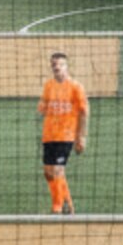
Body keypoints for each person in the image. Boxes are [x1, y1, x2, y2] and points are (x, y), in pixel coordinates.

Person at [38, 52, 89, 216]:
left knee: (58, 170)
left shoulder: (76, 87)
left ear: (67, 66)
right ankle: (68, 203)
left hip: (66, 135)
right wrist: (43, 107)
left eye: (60, 64)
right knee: (48, 172)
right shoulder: (48, 85)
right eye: (53, 64)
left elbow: (84, 113)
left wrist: (81, 136)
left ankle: (57, 208)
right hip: (49, 135)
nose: (56, 67)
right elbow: (43, 106)